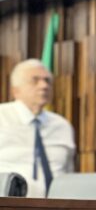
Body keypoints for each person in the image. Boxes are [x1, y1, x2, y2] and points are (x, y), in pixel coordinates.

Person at [0, 59, 76, 197]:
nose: (44, 86)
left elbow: (68, 171)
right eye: (35, 80)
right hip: (6, 209)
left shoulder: (62, 126)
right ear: (15, 90)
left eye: (47, 81)